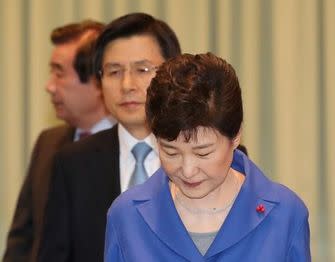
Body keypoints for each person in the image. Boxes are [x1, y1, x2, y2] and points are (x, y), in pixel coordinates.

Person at [104, 53, 311, 261]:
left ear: (236, 135)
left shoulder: (285, 214)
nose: (188, 170)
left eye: (203, 152)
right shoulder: (127, 217)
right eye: (170, 152)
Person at [37, 13, 182, 262]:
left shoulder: (209, 155)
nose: (127, 84)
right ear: (99, 81)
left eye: (142, 69)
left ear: (173, 73)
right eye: (114, 72)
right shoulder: (72, 164)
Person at [2, 20, 115, 262]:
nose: (49, 86)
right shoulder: (48, 143)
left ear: (97, 80)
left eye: (59, 72)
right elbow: (22, 239)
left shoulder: (135, 149)